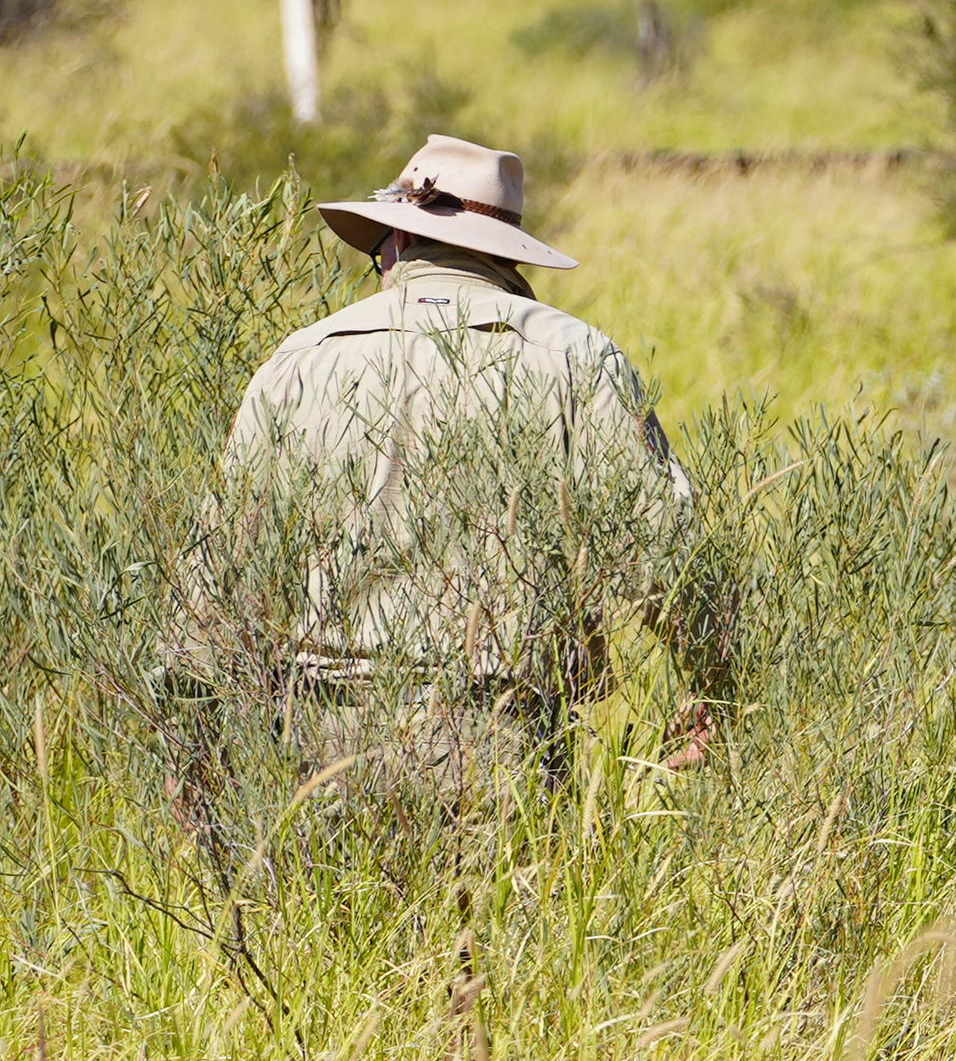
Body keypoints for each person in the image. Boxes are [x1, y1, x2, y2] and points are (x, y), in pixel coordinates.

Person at [195, 133, 702, 814]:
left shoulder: (300, 360)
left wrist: (196, 749)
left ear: (398, 245)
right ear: (507, 256)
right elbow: (667, 554)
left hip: (320, 740)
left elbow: (220, 573)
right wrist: (721, 690)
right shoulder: (575, 355)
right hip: (496, 738)